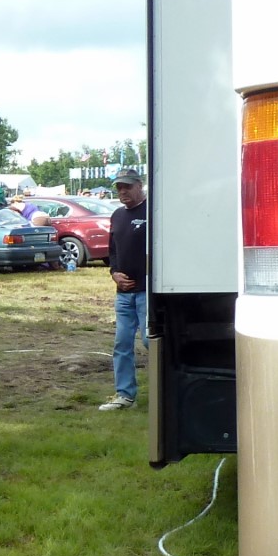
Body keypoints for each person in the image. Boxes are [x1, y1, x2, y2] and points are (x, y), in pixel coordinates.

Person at [101, 171, 149, 410]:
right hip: (124, 294)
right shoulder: (117, 215)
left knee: (150, 340)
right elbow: (113, 251)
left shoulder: (153, 211)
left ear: (139, 186)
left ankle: (168, 391)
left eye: (127, 187)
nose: (122, 192)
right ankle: (125, 395)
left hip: (147, 292)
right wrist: (115, 273)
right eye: (119, 188)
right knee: (122, 344)